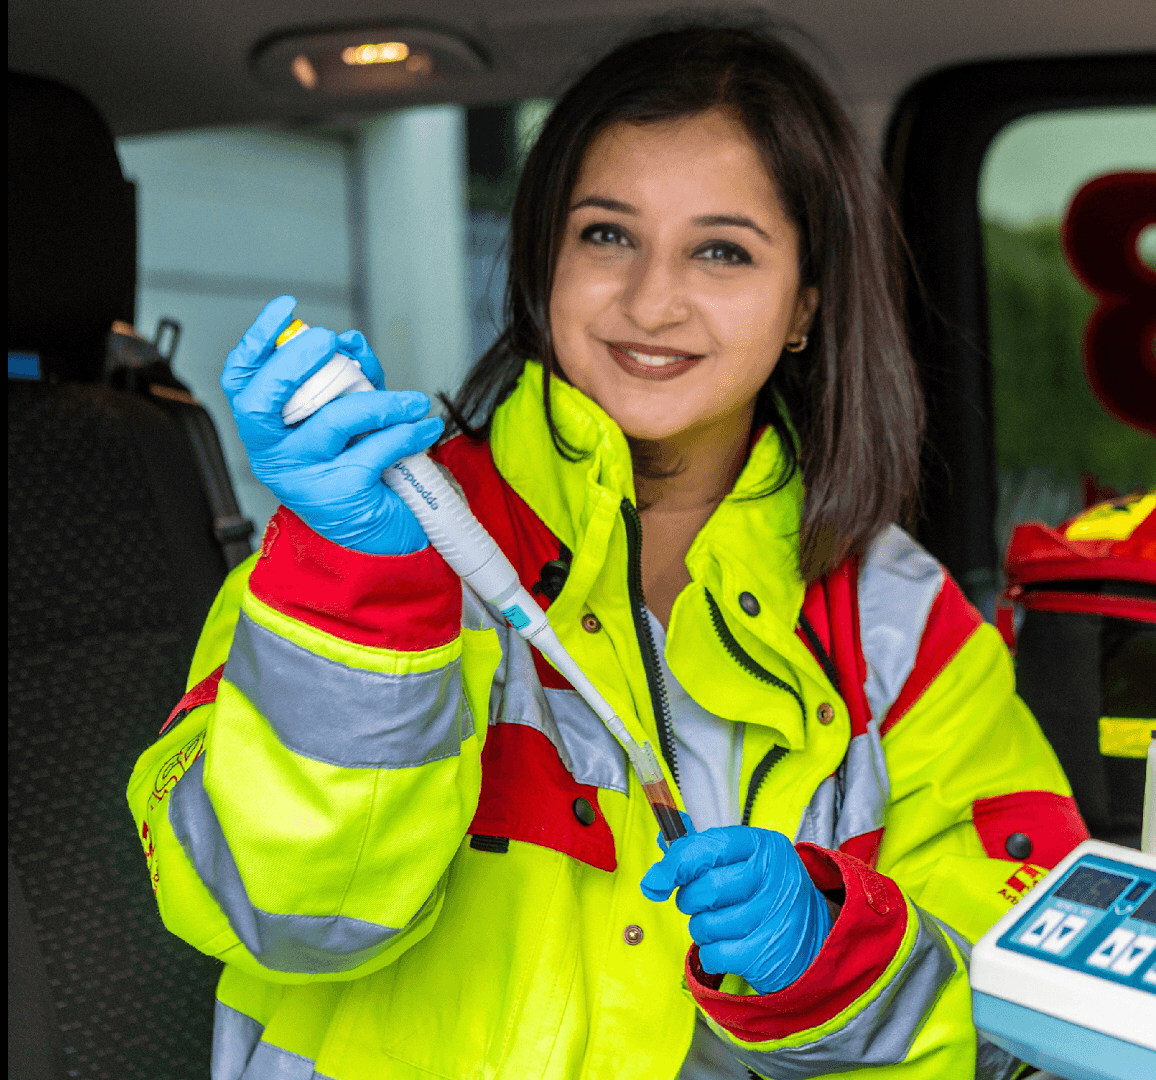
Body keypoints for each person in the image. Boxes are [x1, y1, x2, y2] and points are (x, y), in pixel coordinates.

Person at [129, 22, 1087, 1079]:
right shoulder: (366, 543)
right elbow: (289, 914)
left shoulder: (902, 627)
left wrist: (837, 956)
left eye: (720, 250)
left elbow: (1021, 999)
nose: (649, 301)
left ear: (806, 301)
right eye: (605, 235)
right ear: (544, 257)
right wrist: (361, 597)